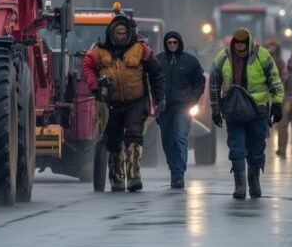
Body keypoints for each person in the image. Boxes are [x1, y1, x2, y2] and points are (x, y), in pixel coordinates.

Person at [82, 13, 165, 192]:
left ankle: (134, 175)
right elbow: (87, 65)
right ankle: (117, 179)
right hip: (110, 102)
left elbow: (156, 71)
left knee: (134, 135)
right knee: (113, 141)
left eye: (123, 33)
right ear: (111, 33)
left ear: (129, 33)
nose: (121, 36)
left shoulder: (141, 49)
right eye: (118, 33)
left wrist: (159, 98)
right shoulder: (98, 50)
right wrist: (94, 84)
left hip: (137, 101)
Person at [210, 28, 283, 199]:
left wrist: (277, 104)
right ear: (233, 42)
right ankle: (240, 186)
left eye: (243, 43)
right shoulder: (223, 57)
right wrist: (215, 110)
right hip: (234, 111)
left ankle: (254, 181)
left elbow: (275, 80)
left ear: (248, 42)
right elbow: (214, 84)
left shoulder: (262, 55)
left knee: (256, 149)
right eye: (237, 43)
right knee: (236, 149)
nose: (240, 46)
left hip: (258, 111)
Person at [155, 31, 205, 190]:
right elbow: (149, 80)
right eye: (169, 43)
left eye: (174, 42)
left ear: (179, 43)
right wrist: (155, 100)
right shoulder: (158, 60)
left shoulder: (190, 61)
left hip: (183, 107)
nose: (172, 45)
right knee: (167, 140)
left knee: (180, 138)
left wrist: (192, 101)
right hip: (164, 108)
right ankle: (174, 168)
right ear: (165, 43)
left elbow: (199, 82)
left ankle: (179, 173)